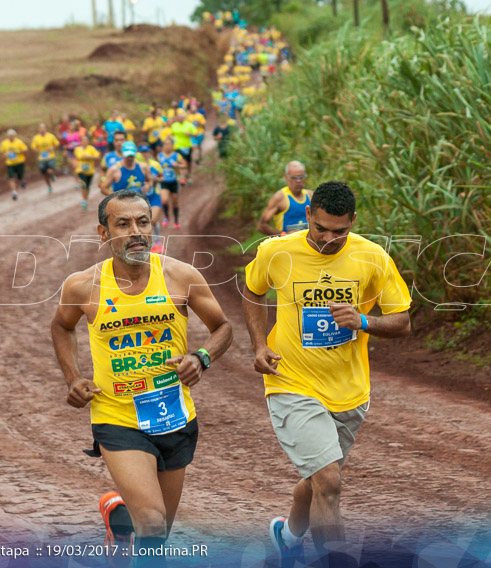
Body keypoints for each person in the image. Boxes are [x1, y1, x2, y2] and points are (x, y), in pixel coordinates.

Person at [50, 189, 232, 557]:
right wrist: (73, 377)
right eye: (123, 223)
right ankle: (130, 519)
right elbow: (61, 326)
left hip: (175, 415)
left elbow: (223, 328)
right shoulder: (83, 285)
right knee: (150, 521)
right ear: (103, 234)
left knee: (159, 530)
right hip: (117, 415)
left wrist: (201, 357)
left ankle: (119, 518)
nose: (136, 231)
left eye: (143, 222)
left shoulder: (181, 276)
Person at [243, 181, 411, 565]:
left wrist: (363, 320)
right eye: (321, 229)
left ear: (353, 221)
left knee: (319, 479)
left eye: (340, 231)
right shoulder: (277, 251)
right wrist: (258, 344)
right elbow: (252, 290)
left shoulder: (372, 257)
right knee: (330, 483)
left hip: (350, 390)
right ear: (307, 216)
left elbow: (403, 322)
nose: (329, 238)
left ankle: (286, 538)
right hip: (291, 382)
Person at [258, 161, 313, 237]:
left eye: (301, 177)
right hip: (286, 245)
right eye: (294, 178)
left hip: (308, 244)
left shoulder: (311, 195)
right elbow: (262, 226)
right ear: (286, 177)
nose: (298, 181)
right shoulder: (279, 197)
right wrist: (284, 235)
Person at [157, 137, 186, 230]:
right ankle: (166, 217)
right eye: (165, 144)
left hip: (173, 182)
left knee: (175, 203)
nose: (167, 146)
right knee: (164, 200)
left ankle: (176, 221)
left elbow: (184, 165)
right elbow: (155, 167)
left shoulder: (177, 155)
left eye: (169, 144)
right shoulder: (159, 156)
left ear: (172, 145)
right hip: (164, 182)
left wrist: (177, 165)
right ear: (163, 146)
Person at [0, 129, 28, 200]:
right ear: (7, 136)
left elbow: (25, 149)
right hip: (10, 163)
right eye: (9, 136)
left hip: (19, 162)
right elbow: (1, 151)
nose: (11, 137)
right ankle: (14, 192)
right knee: (11, 178)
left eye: (12, 136)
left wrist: (18, 151)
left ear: (14, 135)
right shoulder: (4, 143)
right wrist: (5, 154)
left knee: (20, 177)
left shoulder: (19, 142)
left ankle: (22, 181)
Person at [73, 133, 100, 210]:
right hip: (81, 170)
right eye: (83, 140)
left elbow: (97, 156)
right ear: (81, 142)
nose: (85, 142)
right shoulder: (77, 149)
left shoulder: (91, 148)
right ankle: (84, 200)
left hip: (90, 171)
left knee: (87, 186)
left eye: (86, 140)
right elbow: (79, 156)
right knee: (83, 184)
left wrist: (88, 156)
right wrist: (90, 157)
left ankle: (85, 198)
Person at [32, 123, 61, 194]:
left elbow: (57, 144)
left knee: (50, 168)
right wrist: (36, 149)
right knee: (44, 174)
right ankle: (49, 186)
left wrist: (52, 148)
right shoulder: (36, 138)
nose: (41, 129)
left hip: (50, 156)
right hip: (41, 158)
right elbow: (33, 147)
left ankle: (52, 175)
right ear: (39, 129)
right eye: (40, 128)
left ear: (46, 129)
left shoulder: (51, 136)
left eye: (43, 128)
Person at [168, 112, 197, 183]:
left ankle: (189, 175)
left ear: (184, 118)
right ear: (177, 118)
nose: (180, 119)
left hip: (187, 146)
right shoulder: (174, 125)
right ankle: (182, 177)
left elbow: (196, 134)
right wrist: (170, 139)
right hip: (178, 146)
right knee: (181, 162)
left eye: (182, 117)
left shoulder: (189, 125)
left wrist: (190, 134)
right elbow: (171, 134)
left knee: (188, 162)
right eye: (179, 117)